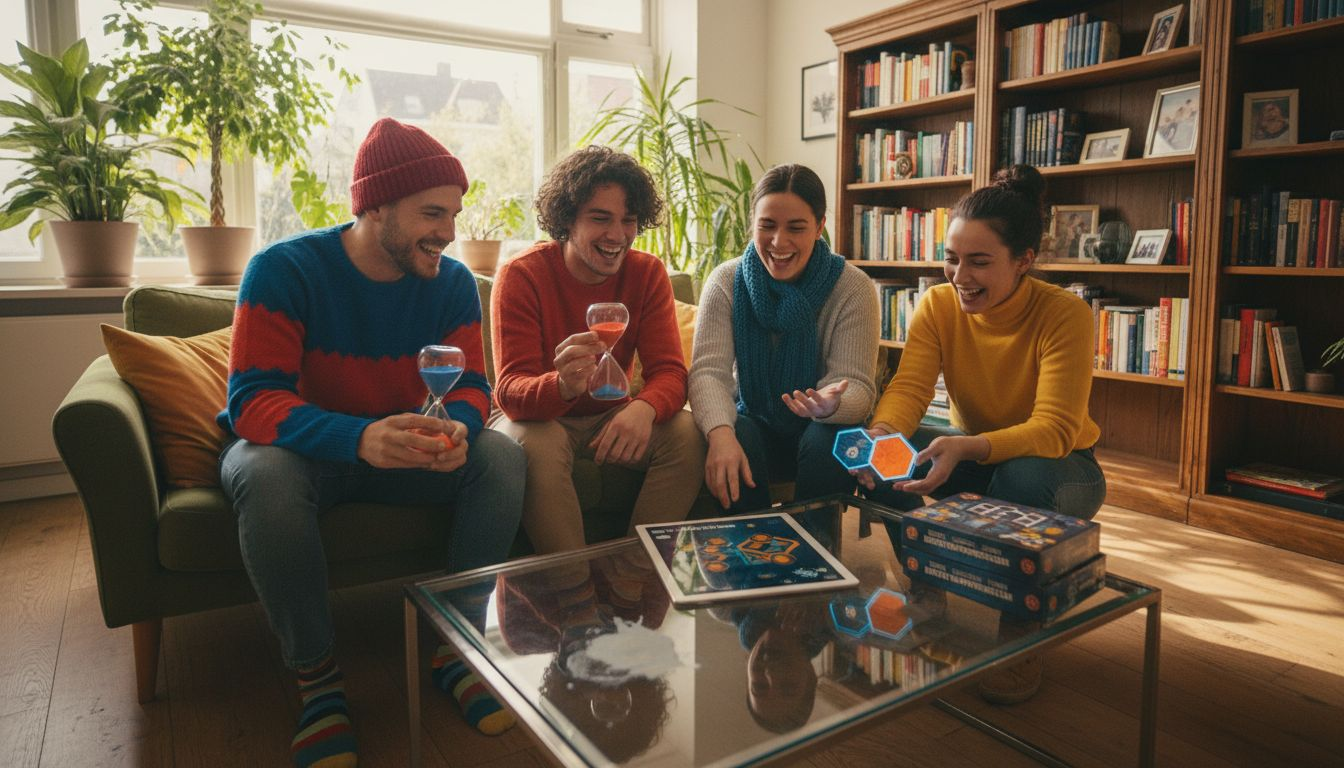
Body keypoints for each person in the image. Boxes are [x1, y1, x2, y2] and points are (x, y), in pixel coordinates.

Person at [218, 118, 526, 767]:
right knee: (263, 475)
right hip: (308, 455)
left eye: (454, 214)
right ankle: (318, 682)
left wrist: (458, 429)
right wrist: (358, 438)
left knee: (501, 456)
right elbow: (251, 400)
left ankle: (455, 646)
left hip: (404, 451)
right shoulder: (283, 270)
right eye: (432, 213)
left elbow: (473, 384)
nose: (448, 231)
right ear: (375, 206)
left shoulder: (450, 282)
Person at [859, 164, 1106, 705]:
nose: (959, 275)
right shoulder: (939, 305)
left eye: (979, 261)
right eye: (951, 258)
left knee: (1023, 475)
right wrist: (880, 433)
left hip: (1062, 469)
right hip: (973, 454)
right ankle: (927, 595)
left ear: (1024, 261)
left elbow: (1057, 428)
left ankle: (1020, 635)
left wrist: (969, 446)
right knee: (886, 458)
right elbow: (909, 390)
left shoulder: (1064, 313)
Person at [490, 146, 706, 554]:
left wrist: (643, 409)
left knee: (687, 435)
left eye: (629, 220)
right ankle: (572, 588)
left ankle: (635, 574)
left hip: (611, 413)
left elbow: (671, 373)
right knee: (538, 443)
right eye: (600, 218)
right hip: (539, 419)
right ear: (566, 219)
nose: (618, 235)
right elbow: (510, 391)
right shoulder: (522, 276)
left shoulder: (646, 273)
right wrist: (562, 386)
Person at [689, 163, 879, 517]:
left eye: (796, 228)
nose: (779, 242)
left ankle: (816, 554)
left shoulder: (853, 288)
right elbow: (707, 374)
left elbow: (858, 386)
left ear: (820, 227)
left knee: (834, 438)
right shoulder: (725, 282)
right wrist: (719, 433)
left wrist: (831, 405)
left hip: (819, 427)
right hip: (753, 419)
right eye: (767, 226)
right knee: (736, 432)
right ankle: (754, 552)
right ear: (753, 225)